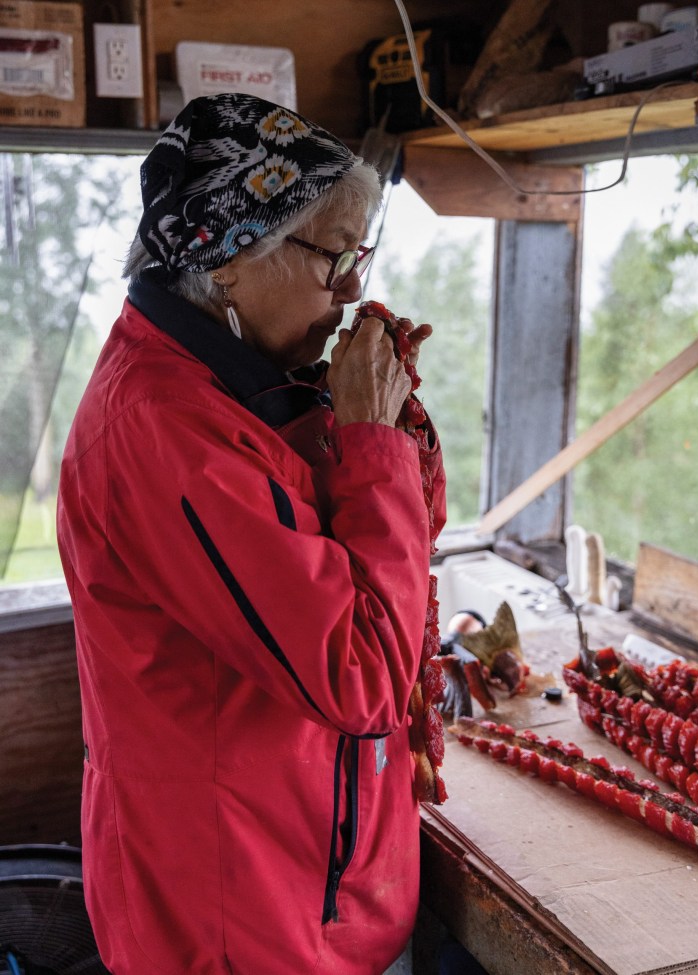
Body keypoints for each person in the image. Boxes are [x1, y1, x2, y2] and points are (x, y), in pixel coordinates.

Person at [56, 92, 445, 975]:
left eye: (361, 255)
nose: (354, 288)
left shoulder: (244, 385)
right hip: (241, 931)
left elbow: (366, 562)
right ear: (230, 261)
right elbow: (363, 675)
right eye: (332, 257)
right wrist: (374, 444)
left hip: (310, 893)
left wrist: (377, 426)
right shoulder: (164, 432)